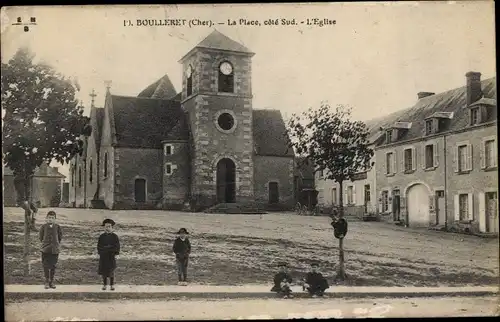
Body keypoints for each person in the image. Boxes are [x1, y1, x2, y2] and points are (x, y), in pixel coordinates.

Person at [39, 211, 62, 289]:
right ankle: (46, 281)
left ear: (55, 219)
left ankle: (51, 281)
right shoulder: (43, 227)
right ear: (46, 218)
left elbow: (59, 237)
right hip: (45, 249)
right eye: (49, 218)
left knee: (53, 266)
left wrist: (55, 244)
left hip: (54, 250)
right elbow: (41, 237)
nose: (50, 219)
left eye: (52, 218)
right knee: (45, 266)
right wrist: (45, 244)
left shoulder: (57, 227)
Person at [97, 218, 120, 291]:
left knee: (111, 271)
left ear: (112, 227)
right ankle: (104, 285)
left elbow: (117, 246)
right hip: (104, 256)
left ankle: (112, 285)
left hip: (111, 256)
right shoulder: (102, 236)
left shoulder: (115, 236)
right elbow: (99, 246)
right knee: (104, 272)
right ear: (104, 227)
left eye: (109, 226)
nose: (107, 228)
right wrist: (102, 251)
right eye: (106, 227)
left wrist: (114, 252)